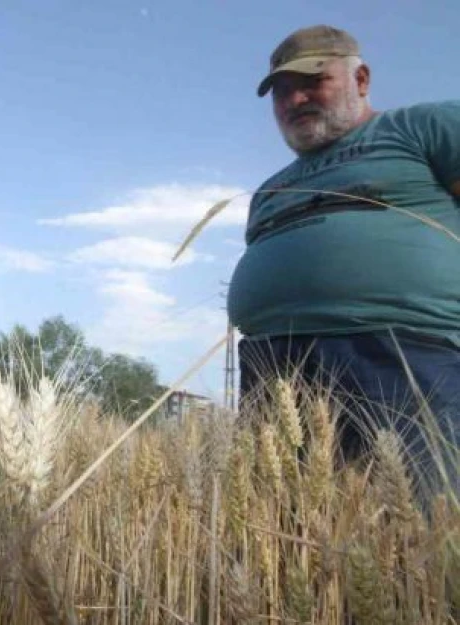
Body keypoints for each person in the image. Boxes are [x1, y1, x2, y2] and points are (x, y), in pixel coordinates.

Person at [226, 25, 460, 497]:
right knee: (279, 531)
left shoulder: (423, 127)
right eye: (282, 92)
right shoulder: (271, 188)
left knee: (410, 527)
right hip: (272, 366)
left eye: (314, 82)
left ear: (362, 79)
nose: (295, 100)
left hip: (400, 352)